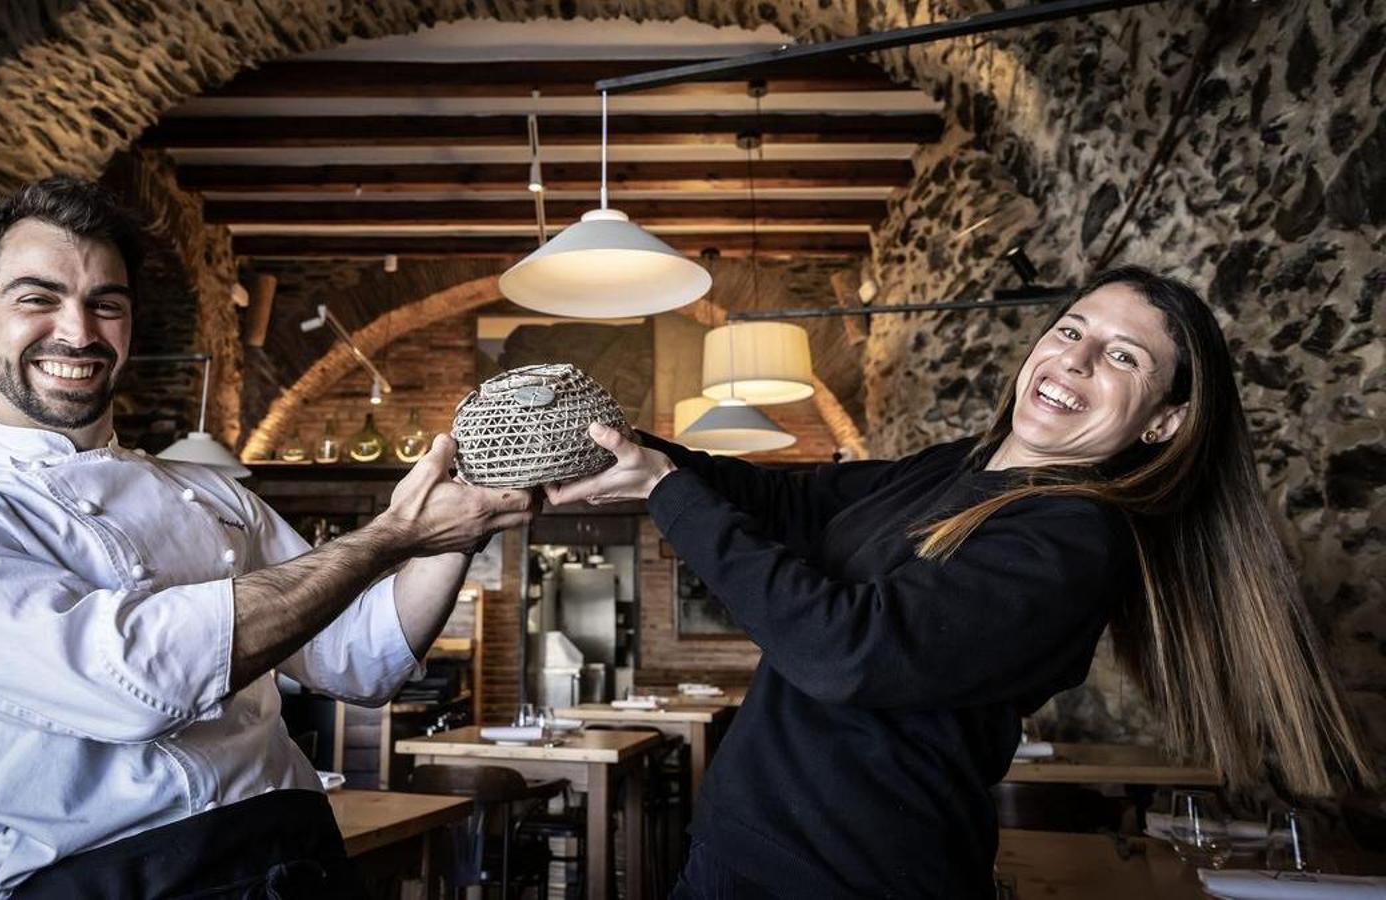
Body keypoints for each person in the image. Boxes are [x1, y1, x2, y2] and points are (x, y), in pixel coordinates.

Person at [547, 266, 1373, 898]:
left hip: (854, 875)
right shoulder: (956, 467)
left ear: (1165, 420)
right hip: (739, 850)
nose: (1075, 358)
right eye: (1071, 329)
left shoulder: (1075, 537)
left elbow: (849, 652)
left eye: (1122, 356)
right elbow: (786, 500)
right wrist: (618, 450)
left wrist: (667, 491)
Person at [0, 177, 536, 899]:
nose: (78, 332)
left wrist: (464, 523)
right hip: (109, 883)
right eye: (37, 299)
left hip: (297, 860)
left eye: (105, 304)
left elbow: (361, 659)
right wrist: (391, 536)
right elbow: (133, 683)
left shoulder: (214, 493)